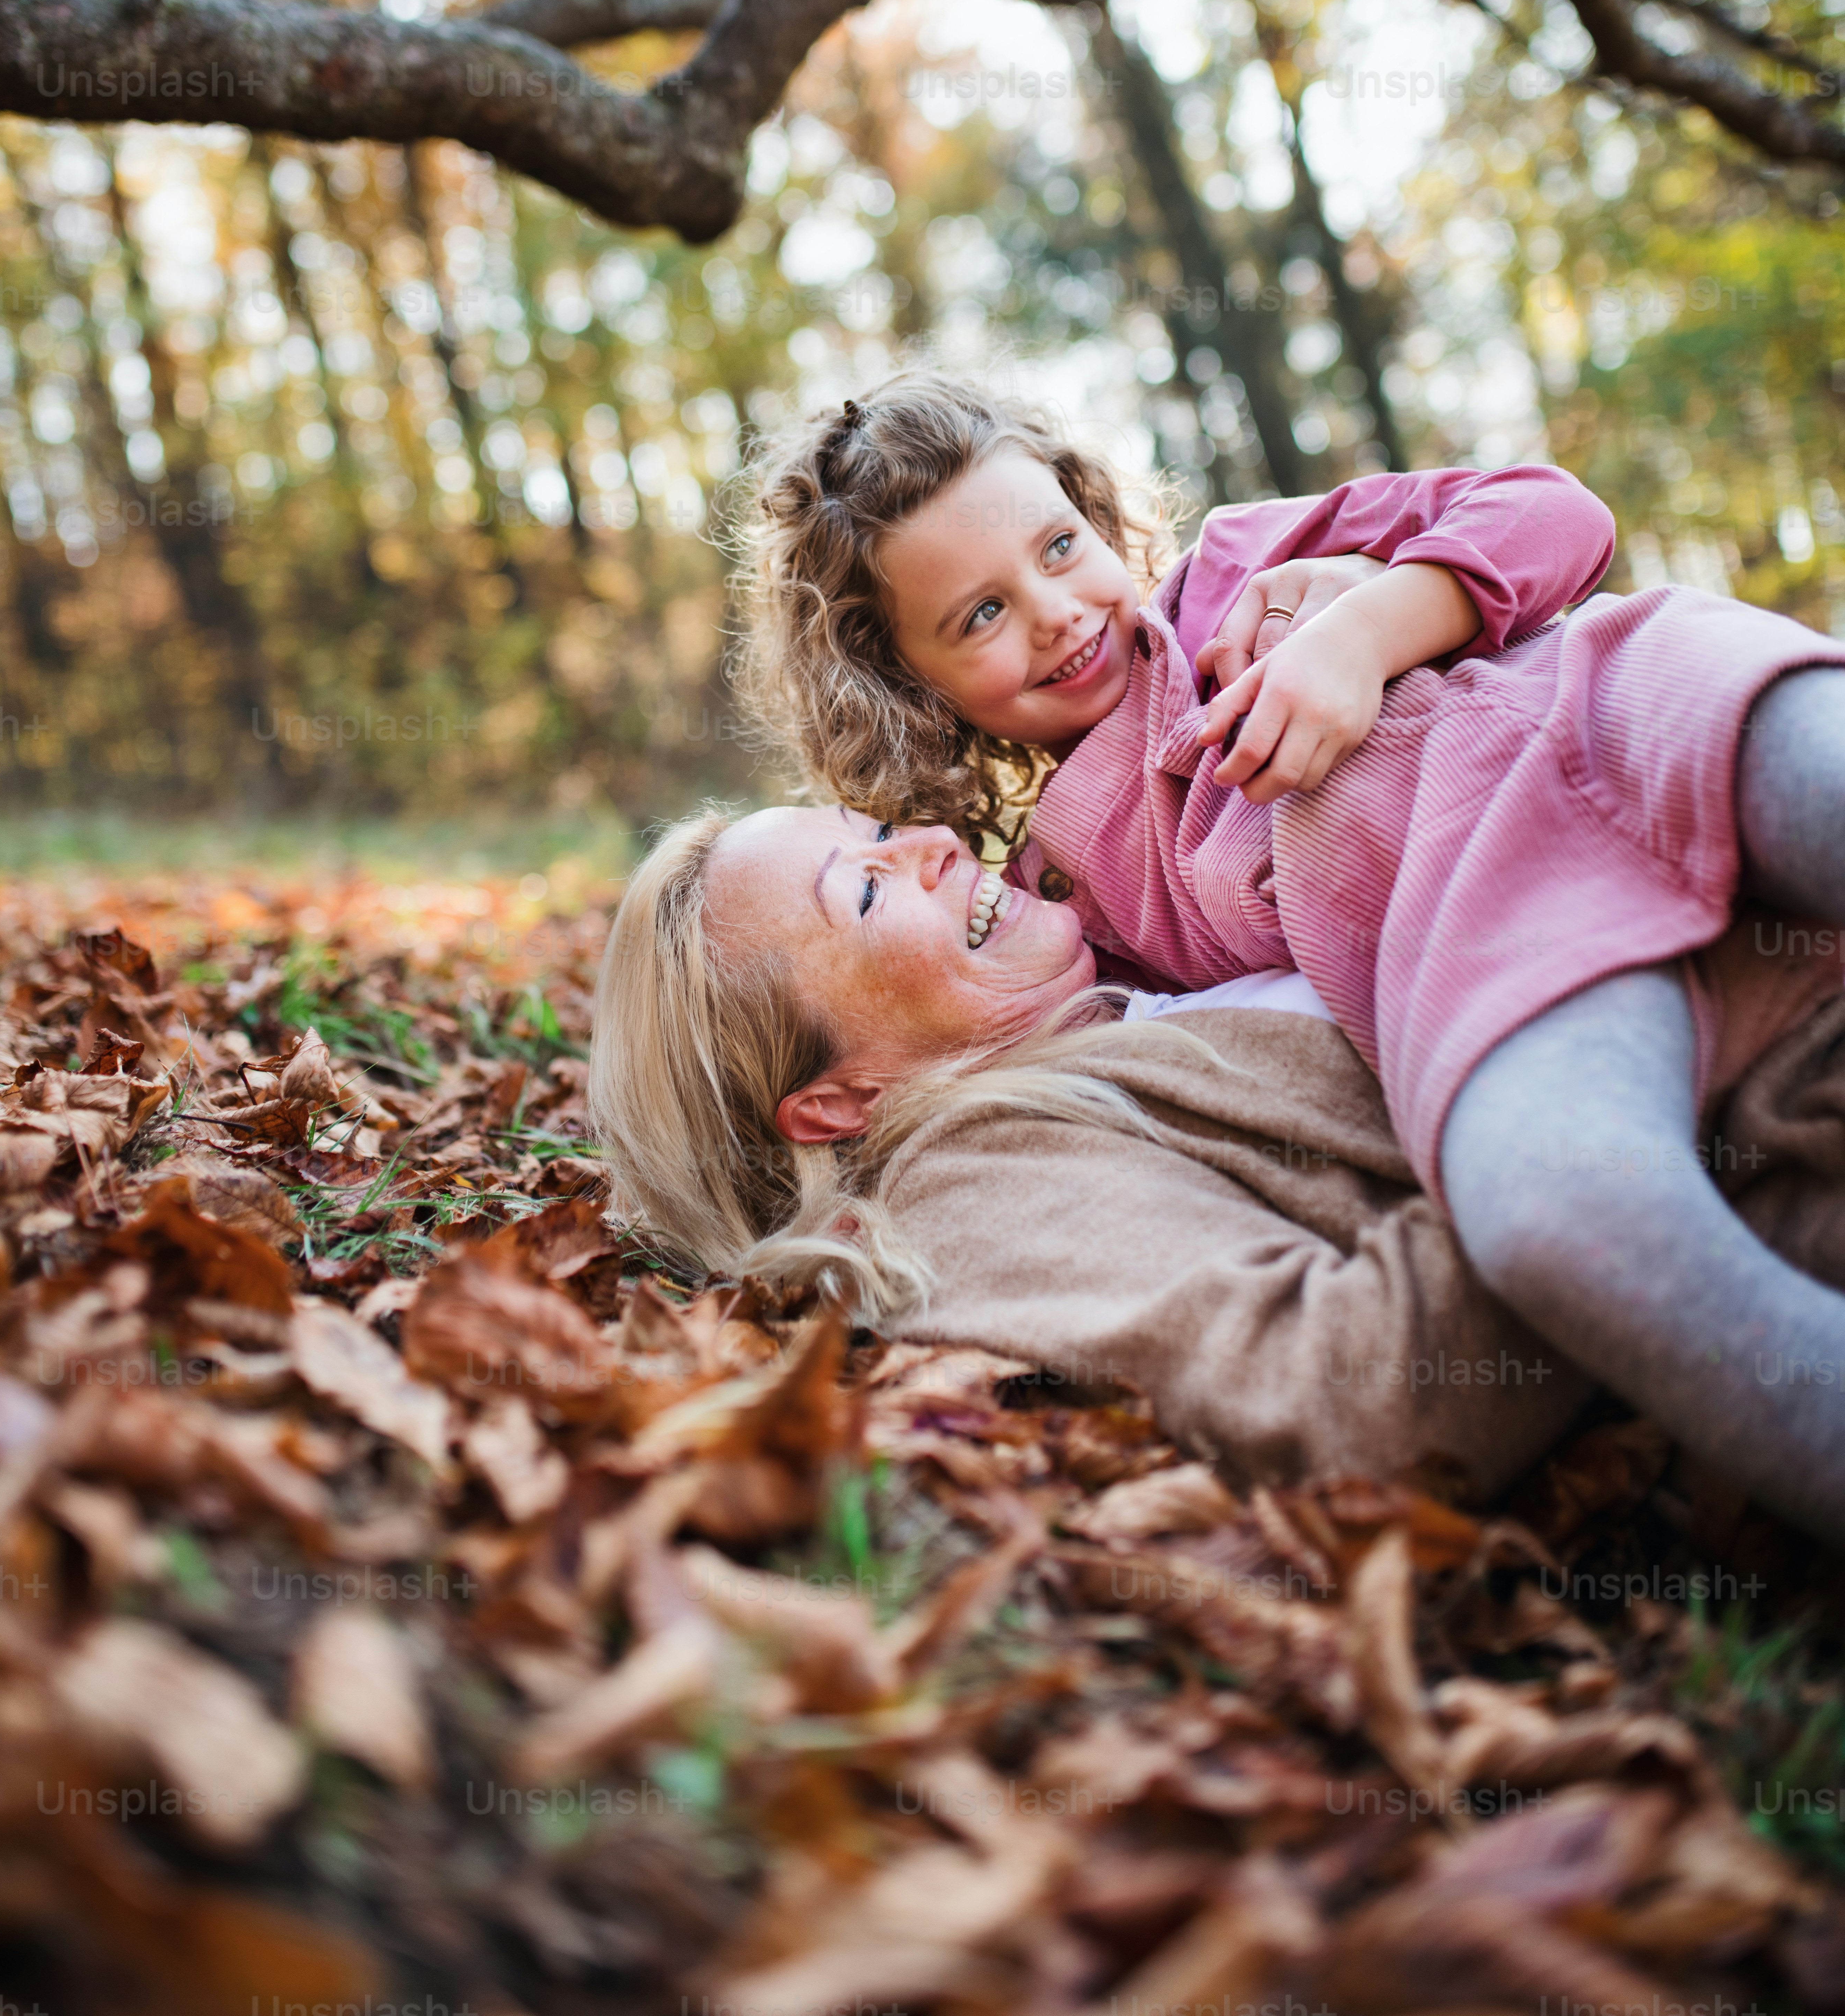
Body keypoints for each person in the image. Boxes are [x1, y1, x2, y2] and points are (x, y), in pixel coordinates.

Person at [726, 372, 1845, 1529]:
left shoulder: (1234, 572)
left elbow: (1556, 513)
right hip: (1504, 944)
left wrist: (1372, 623)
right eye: (981, 616)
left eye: (1060, 547)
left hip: (1630, 710)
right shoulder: (1071, 904)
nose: (1054, 612)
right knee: (1555, 1211)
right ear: (912, 685)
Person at [587, 798, 1845, 1532]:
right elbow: (1348, 1398)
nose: (926, 841)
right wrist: (1587, 1020)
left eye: (876, 830)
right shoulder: (970, 1178)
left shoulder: (1137, 960)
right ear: (835, 1102)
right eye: (862, 893)